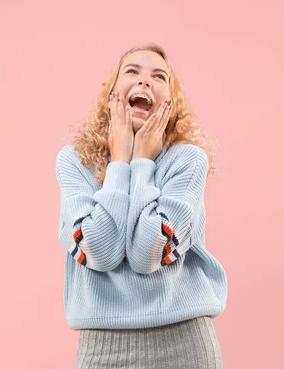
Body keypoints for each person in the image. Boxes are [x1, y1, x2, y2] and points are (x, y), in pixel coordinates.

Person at [55, 43, 228, 368]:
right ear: (110, 94)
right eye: (132, 71)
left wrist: (142, 165)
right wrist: (120, 161)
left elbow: (148, 253)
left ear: (170, 104)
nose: (145, 81)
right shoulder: (75, 162)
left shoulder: (187, 160)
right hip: (102, 347)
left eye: (158, 76)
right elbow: (99, 251)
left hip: (185, 344)